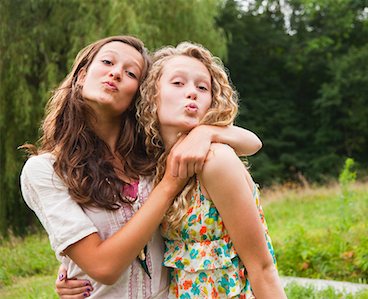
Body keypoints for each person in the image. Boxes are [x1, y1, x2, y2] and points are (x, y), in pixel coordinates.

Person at [20, 36, 262, 299]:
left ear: (139, 93)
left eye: (131, 73)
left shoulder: (149, 154)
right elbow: (103, 266)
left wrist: (204, 132)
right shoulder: (46, 170)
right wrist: (170, 183)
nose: (115, 73)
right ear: (81, 75)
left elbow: (251, 142)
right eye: (107, 61)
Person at [138, 42, 286, 298]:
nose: (192, 92)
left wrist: (208, 131)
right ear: (151, 94)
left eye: (202, 87)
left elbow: (262, 268)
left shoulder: (215, 160)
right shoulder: (153, 165)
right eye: (178, 83)